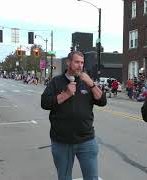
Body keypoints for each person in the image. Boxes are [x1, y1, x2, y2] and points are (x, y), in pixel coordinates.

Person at [41, 51, 107, 180]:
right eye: (77, 62)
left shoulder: (86, 82)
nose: (80, 65)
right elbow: (45, 103)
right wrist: (65, 94)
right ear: (68, 62)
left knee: (92, 177)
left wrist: (91, 84)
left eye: (82, 63)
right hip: (62, 141)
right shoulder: (56, 82)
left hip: (86, 140)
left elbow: (102, 101)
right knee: (64, 177)